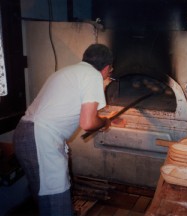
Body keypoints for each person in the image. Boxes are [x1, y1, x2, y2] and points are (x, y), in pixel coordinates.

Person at [13, 43, 114, 215]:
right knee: (56, 199)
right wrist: (104, 122)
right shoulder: (93, 76)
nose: (108, 74)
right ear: (106, 68)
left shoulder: (67, 71)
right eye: (110, 71)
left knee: (45, 198)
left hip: (25, 133)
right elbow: (88, 123)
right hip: (41, 139)